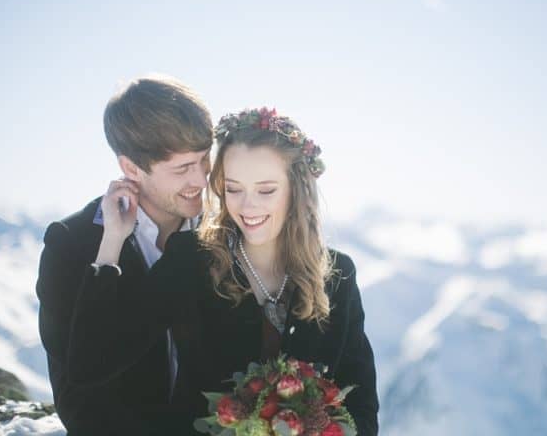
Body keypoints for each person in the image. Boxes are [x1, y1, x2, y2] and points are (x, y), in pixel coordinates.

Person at [68, 107, 379, 435]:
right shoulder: (191, 259)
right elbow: (90, 363)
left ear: (296, 189)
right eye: (233, 188)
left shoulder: (336, 274)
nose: (247, 206)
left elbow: (360, 399)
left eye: (266, 190)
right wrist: (111, 243)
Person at [35, 74, 214, 435]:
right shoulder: (71, 243)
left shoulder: (220, 230)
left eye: (204, 160)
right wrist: (111, 247)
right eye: (182, 168)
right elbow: (78, 388)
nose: (201, 180)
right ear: (131, 168)